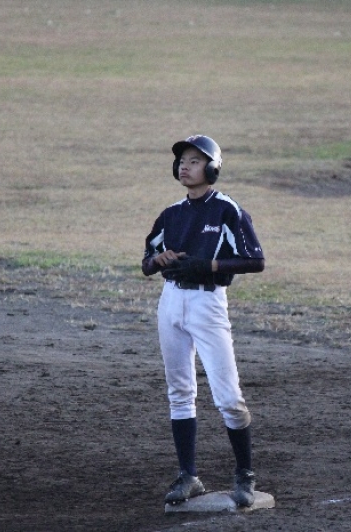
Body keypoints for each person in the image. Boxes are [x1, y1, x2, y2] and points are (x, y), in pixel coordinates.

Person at [142, 135, 265, 507]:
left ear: (212, 169)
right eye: (182, 160)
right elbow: (147, 261)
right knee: (180, 392)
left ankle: (245, 475)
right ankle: (188, 476)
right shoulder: (171, 214)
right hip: (171, 302)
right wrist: (159, 261)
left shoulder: (227, 210)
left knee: (228, 397)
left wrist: (209, 265)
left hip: (207, 304)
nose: (185, 166)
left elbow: (255, 260)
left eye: (195, 161)